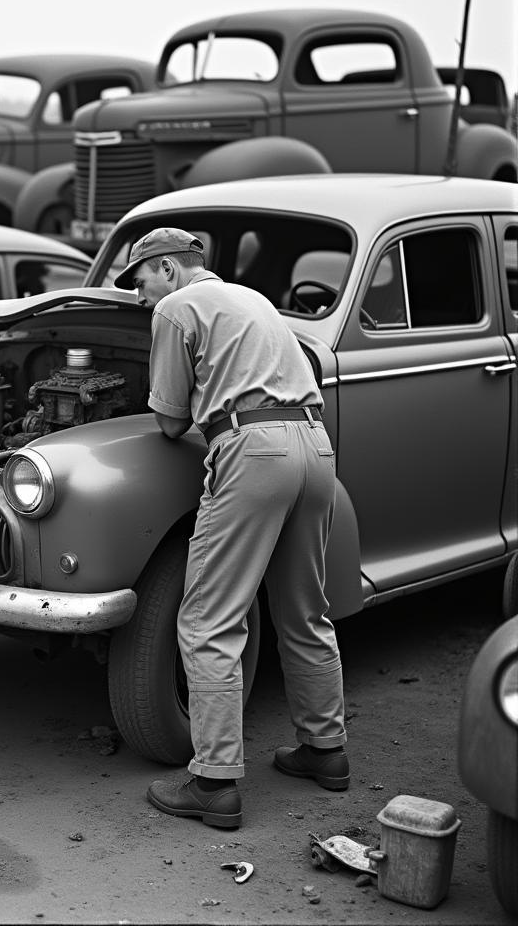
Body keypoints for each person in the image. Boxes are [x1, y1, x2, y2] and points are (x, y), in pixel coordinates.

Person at [114, 227, 348, 830]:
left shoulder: (175, 307)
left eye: (139, 279)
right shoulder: (252, 299)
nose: (139, 295)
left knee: (207, 620)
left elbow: (167, 422)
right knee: (304, 610)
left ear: (166, 269)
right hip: (314, 445)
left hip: (253, 452)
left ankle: (214, 782)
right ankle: (325, 752)